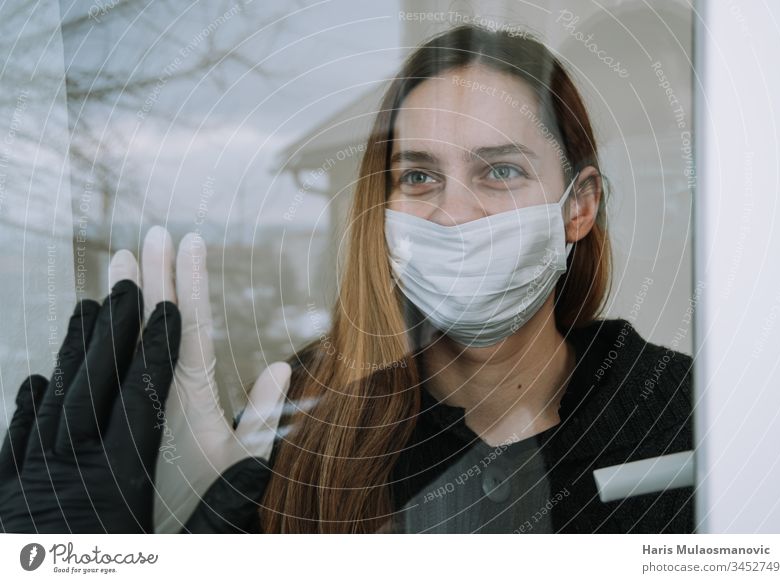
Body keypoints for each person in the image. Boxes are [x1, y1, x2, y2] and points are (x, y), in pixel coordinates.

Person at [0, 23, 694, 534]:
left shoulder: (683, 416)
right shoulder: (298, 430)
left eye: (500, 170)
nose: (454, 212)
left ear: (578, 205)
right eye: (419, 175)